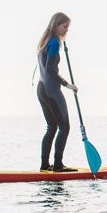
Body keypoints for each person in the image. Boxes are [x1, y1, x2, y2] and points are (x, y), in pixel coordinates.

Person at [35, 12, 79, 172]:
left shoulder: (44, 42)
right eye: (64, 27)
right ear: (56, 25)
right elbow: (50, 70)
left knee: (51, 127)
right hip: (51, 90)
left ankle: (45, 166)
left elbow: (45, 70)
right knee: (64, 127)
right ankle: (58, 166)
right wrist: (68, 85)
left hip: (41, 89)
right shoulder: (54, 43)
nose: (66, 30)